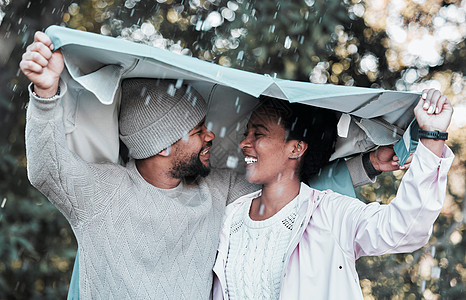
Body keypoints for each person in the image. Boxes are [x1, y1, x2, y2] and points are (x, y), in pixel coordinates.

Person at [21, 31, 410, 299]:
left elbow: (286, 190)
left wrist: (367, 164)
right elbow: (47, 168)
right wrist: (45, 91)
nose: (211, 137)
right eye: (198, 130)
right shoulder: (102, 194)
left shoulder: (217, 190)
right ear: (162, 146)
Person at [212, 92, 454, 299]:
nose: (244, 142)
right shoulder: (231, 214)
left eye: (259, 134)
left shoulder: (331, 214)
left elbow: (404, 229)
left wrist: (432, 136)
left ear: (296, 148)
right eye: (247, 133)